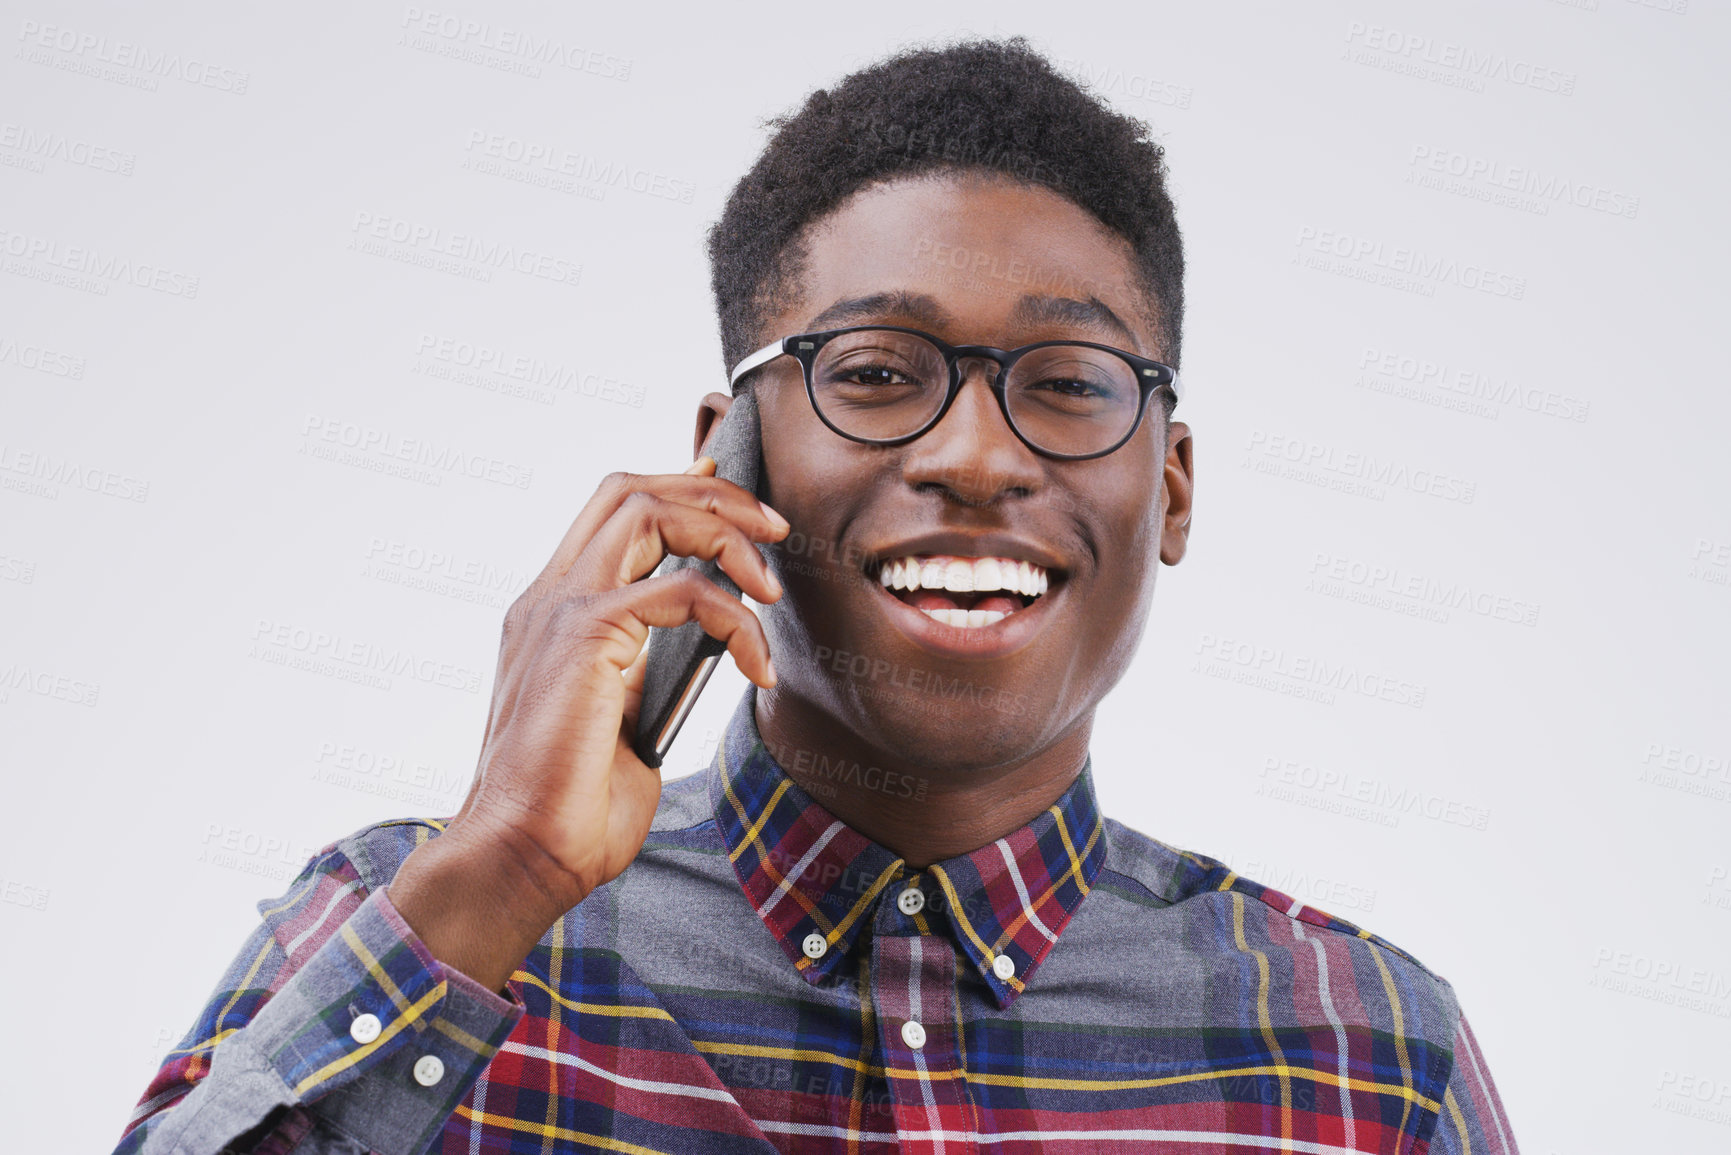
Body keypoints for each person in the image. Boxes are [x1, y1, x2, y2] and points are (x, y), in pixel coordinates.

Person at [114, 37, 1518, 1155]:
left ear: (1176, 488)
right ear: (726, 457)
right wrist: (498, 882)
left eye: (1072, 386)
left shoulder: (1372, 1057)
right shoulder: (414, 926)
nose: (973, 455)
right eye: (874, 372)